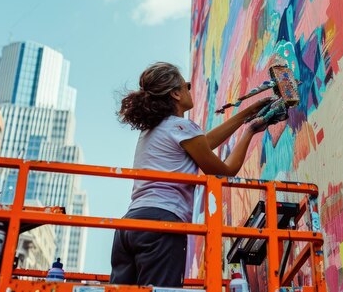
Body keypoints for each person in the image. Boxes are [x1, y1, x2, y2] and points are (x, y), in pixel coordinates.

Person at [110, 62, 282, 287]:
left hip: (128, 227)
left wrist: (247, 114)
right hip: (161, 225)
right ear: (175, 93)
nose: (190, 90)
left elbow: (205, 143)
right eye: (187, 85)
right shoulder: (181, 127)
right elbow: (225, 171)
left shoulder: (153, 131)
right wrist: (249, 131)